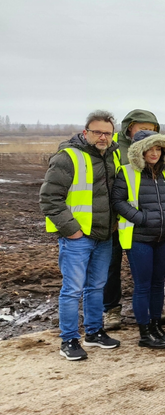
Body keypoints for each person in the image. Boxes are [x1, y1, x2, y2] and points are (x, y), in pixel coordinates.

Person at [40, 110, 122, 360]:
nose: (102, 137)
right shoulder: (68, 157)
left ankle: (94, 333)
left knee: (96, 287)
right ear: (86, 132)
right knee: (72, 290)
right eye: (97, 132)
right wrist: (71, 230)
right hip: (78, 237)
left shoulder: (114, 155)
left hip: (104, 235)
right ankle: (69, 340)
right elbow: (49, 198)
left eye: (107, 133)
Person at [112, 130, 165, 349]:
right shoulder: (127, 172)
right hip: (139, 237)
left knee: (159, 283)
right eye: (149, 148)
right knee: (142, 285)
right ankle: (144, 332)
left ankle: (156, 325)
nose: (154, 153)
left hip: (164, 236)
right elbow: (118, 201)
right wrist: (140, 218)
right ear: (139, 150)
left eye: (158, 148)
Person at [104, 108, 160, 331]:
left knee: (149, 272)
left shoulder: (158, 150)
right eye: (142, 127)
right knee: (111, 266)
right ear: (129, 127)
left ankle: (151, 312)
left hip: (145, 224)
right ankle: (111, 310)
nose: (146, 131)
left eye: (151, 128)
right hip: (115, 219)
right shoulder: (113, 148)